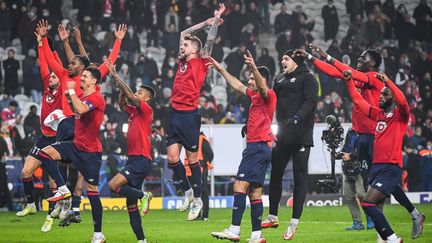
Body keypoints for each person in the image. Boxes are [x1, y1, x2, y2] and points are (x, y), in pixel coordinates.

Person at [300, 45, 425, 233]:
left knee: (377, 182)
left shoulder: (373, 77)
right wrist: (311, 57)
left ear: (373, 63)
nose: (359, 59)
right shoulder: (359, 80)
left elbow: (346, 72)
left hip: (374, 134)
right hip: (360, 135)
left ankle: (381, 220)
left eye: (363, 58)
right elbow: (335, 73)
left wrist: (327, 56)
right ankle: (396, 216)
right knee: (374, 182)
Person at [342, 71, 425, 243]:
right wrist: (349, 81)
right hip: (376, 167)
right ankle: (388, 234)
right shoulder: (378, 115)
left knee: (368, 203)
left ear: (392, 97)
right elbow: (358, 100)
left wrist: (389, 82)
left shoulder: (401, 115)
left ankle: (393, 238)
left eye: (385, 94)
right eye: (380, 94)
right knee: (377, 206)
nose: (380, 96)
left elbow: (402, 100)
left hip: (390, 167)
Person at [209, 51, 276, 243]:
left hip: (257, 147)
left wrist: (254, 67)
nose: (249, 82)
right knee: (255, 191)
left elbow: (262, 86)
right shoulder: (254, 96)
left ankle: (234, 229)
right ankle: (256, 235)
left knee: (239, 185)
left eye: (252, 79)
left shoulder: (268, 95)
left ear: (260, 79)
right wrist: (221, 69)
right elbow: (237, 85)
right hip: (260, 148)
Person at [166, 3, 225, 221]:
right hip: (174, 113)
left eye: (187, 45)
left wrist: (216, 21)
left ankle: (198, 199)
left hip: (189, 115)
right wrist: (205, 22)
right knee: (172, 158)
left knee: (192, 160)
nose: (183, 45)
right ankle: (189, 192)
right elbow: (184, 33)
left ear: (195, 50)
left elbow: (208, 41)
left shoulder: (201, 61)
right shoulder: (182, 60)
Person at [37, 67, 106, 243]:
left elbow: (82, 110)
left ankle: (98, 235)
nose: (81, 78)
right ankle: (62, 188)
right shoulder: (82, 97)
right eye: (81, 76)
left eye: (85, 76)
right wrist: (70, 96)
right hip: (75, 146)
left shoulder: (96, 98)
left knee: (92, 192)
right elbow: (76, 106)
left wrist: (72, 92)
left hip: (91, 154)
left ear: (94, 81)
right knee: (44, 154)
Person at [261, 49, 318, 241]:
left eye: (285, 58)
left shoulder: (308, 78)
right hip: (283, 135)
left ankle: (294, 223)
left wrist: (297, 117)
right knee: (275, 173)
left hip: (301, 134)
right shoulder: (279, 79)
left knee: (299, 177)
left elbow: (311, 101)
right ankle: (273, 215)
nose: (282, 61)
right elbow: (269, 101)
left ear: (295, 60)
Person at [16, 31, 65, 233]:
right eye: (50, 76)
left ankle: (50, 217)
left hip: (57, 141)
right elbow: (44, 64)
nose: (51, 77)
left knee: (53, 182)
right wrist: (40, 43)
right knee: (26, 171)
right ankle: (29, 205)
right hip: (43, 138)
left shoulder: (63, 88)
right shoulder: (46, 86)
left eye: (55, 76)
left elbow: (57, 67)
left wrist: (49, 46)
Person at [105, 58, 154, 243]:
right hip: (133, 159)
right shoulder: (134, 112)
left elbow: (131, 99)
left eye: (140, 92)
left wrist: (117, 76)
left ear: (146, 98)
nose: (137, 93)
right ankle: (142, 241)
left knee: (113, 185)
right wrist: (121, 89)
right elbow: (123, 104)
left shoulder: (146, 110)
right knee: (130, 204)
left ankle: (145, 195)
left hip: (141, 159)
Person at [184, 131, 214, 221]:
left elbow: (210, 154)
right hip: (198, 168)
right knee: (200, 192)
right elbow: (210, 154)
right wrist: (206, 162)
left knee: (201, 191)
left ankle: (203, 215)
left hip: (196, 168)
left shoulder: (195, 139)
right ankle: (201, 215)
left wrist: (204, 162)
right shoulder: (202, 140)